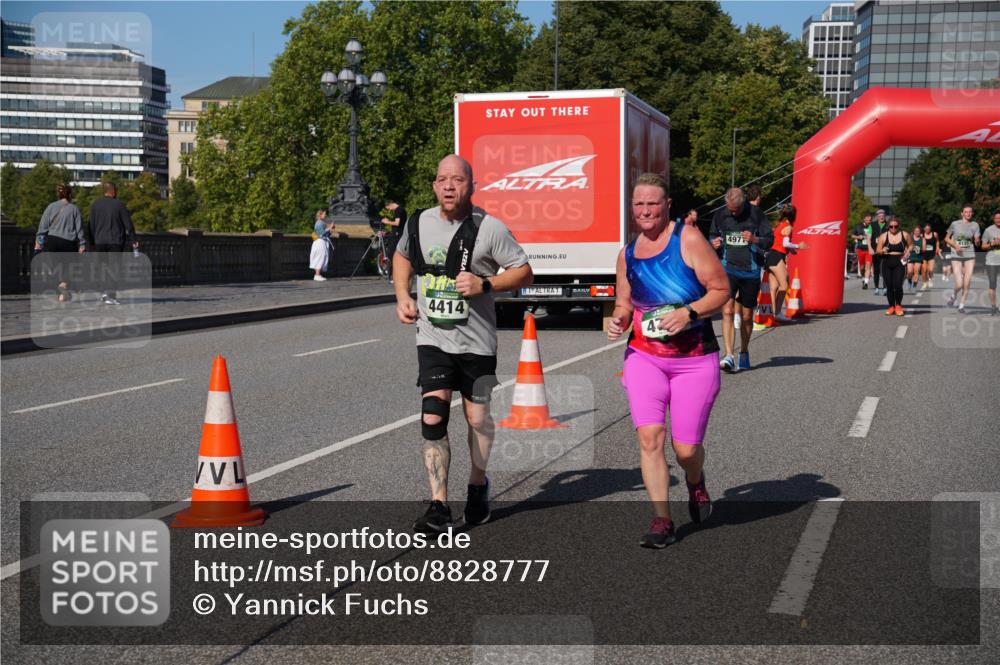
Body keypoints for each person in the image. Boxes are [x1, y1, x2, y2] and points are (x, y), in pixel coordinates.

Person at [393, 154, 533, 533]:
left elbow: (524, 271)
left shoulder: (489, 228)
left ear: (472, 185)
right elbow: (402, 256)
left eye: (457, 179)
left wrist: (485, 284)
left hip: (478, 343)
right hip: (433, 337)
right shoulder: (418, 222)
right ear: (435, 185)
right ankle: (439, 504)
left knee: (478, 419)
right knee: (433, 414)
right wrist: (402, 295)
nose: (449, 186)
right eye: (442, 179)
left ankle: (477, 485)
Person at [607, 173, 729, 548]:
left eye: (652, 204)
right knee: (649, 437)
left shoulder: (687, 239)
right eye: (639, 204)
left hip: (694, 359)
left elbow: (721, 290)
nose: (645, 211)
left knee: (686, 450)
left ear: (667, 205)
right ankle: (662, 519)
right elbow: (625, 302)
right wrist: (619, 319)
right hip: (644, 356)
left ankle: (695, 480)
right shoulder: (627, 253)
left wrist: (689, 313)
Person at [709, 187, 773, 372]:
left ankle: (744, 351)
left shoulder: (756, 214)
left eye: (736, 210)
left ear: (743, 202)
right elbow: (713, 234)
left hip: (750, 271)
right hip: (727, 269)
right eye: (730, 209)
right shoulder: (721, 214)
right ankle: (729, 355)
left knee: (746, 316)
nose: (733, 213)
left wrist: (754, 239)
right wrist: (714, 242)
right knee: (727, 310)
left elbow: (769, 239)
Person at [35, 183, 87, 302]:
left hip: (52, 240)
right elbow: (79, 229)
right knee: (69, 268)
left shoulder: (50, 207)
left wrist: (39, 242)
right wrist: (82, 244)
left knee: (55, 267)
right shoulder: (74, 209)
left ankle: (61, 294)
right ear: (70, 194)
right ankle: (63, 288)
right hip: (68, 242)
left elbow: (42, 227)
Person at [89, 182, 138, 305]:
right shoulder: (119, 205)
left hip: (99, 241)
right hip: (115, 241)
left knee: (102, 268)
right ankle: (110, 295)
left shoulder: (95, 205)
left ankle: (104, 293)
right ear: (114, 191)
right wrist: (134, 240)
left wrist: (91, 243)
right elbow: (128, 224)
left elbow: (91, 226)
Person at [766, 204, 806, 322]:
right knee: (784, 285)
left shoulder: (780, 225)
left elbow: (781, 242)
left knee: (773, 287)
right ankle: (777, 313)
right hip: (777, 256)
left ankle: (772, 313)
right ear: (793, 215)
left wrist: (791, 250)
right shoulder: (788, 226)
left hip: (771, 256)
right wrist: (799, 246)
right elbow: (785, 243)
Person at [944, 205, 981, 314]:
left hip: (970, 255)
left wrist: (977, 241)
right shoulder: (955, 224)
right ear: (962, 213)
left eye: (970, 212)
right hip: (956, 255)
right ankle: (953, 295)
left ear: (972, 213)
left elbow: (977, 240)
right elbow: (946, 238)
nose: (968, 213)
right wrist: (955, 245)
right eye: (966, 212)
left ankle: (962, 305)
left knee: (967, 281)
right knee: (959, 283)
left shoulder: (975, 225)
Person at [875, 216, 913, 316]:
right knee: (889, 286)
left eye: (895, 226)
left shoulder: (905, 234)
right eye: (891, 226)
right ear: (888, 226)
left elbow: (911, 245)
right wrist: (882, 250)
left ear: (898, 226)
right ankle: (891, 306)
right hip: (886, 261)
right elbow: (878, 250)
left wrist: (908, 251)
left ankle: (898, 306)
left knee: (898, 285)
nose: (893, 228)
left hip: (899, 261)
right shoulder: (883, 236)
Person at [980, 212, 1000, 317]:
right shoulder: (988, 230)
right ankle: (993, 307)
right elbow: (983, 246)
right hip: (992, 261)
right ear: (993, 219)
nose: (998, 220)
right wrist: (992, 244)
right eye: (996, 218)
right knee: (993, 285)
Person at [310, 209, 335, 281]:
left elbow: (326, 234)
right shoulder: (319, 223)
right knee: (320, 257)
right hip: (319, 242)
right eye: (324, 214)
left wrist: (330, 229)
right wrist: (330, 227)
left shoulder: (322, 222)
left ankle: (317, 274)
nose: (325, 215)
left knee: (321, 257)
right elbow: (321, 233)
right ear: (320, 215)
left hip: (321, 242)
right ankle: (317, 275)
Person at [869, 209, 888, 295]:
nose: (881, 217)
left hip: (885, 252)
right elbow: (868, 238)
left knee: (884, 270)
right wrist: (870, 248)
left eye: (883, 215)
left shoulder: (889, 225)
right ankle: (876, 288)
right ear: (877, 217)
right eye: (879, 216)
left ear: (884, 216)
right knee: (876, 270)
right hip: (875, 252)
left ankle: (885, 288)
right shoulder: (872, 225)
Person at [852, 215, 873, 286]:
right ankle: (864, 278)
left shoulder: (872, 227)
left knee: (868, 265)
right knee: (862, 267)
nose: (868, 222)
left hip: (868, 249)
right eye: (867, 220)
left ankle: (866, 283)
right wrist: (858, 237)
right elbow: (852, 235)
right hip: (860, 249)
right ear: (864, 219)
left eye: (870, 220)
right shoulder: (858, 226)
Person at [921, 223, 940, 290]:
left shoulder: (934, 234)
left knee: (931, 269)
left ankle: (930, 279)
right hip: (923, 255)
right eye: (926, 229)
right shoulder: (921, 235)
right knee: (924, 270)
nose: (927, 230)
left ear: (930, 229)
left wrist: (937, 247)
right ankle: (924, 282)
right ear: (924, 229)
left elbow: (937, 241)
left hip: (931, 254)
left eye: (928, 229)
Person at [906, 225, 924, 293]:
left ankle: (914, 286)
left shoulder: (922, 239)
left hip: (918, 257)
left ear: (920, 232)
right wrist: (907, 251)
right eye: (916, 231)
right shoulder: (910, 238)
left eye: (918, 231)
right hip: (910, 256)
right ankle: (909, 282)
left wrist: (920, 249)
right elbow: (906, 246)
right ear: (913, 232)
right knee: (910, 272)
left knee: (916, 271)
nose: (917, 232)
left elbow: (924, 249)